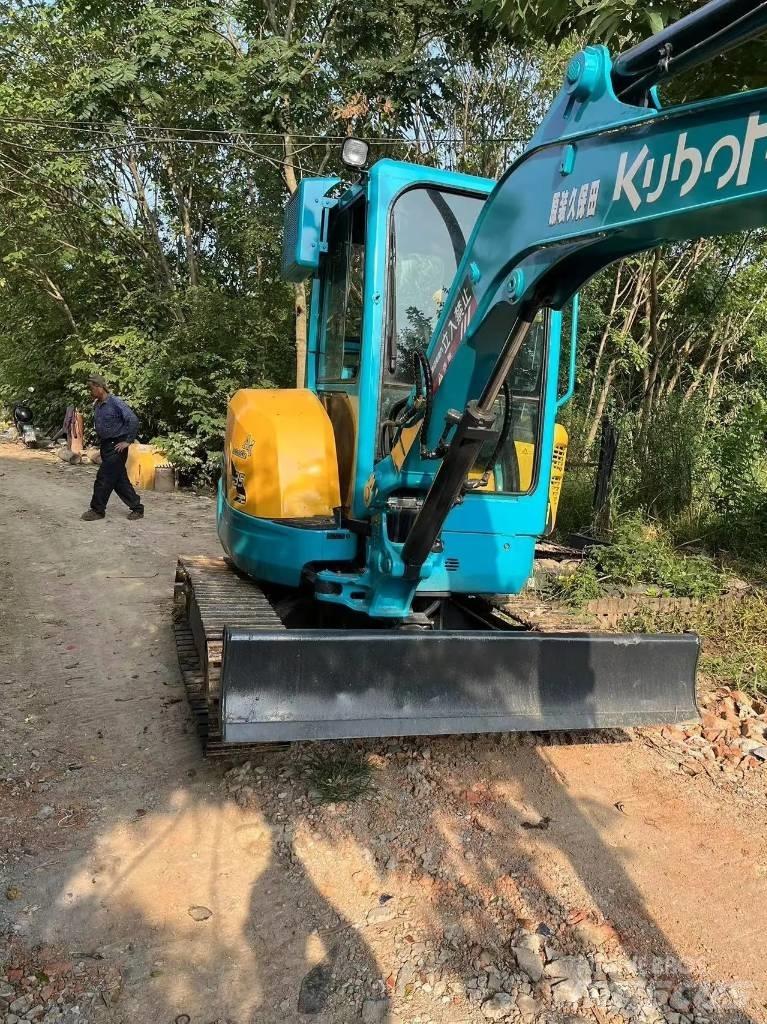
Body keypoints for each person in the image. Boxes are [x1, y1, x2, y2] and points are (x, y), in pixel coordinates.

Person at [81, 374, 145, 521]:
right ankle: (137, 508)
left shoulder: (115, 402)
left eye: (91, 388)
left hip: (117, 446)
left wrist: (128, 441)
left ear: (99, 387)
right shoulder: (97, 404)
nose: (90, 392)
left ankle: (97, 510)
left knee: (103, 478)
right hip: (106, 446)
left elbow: (133, 420)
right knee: (119, 480)